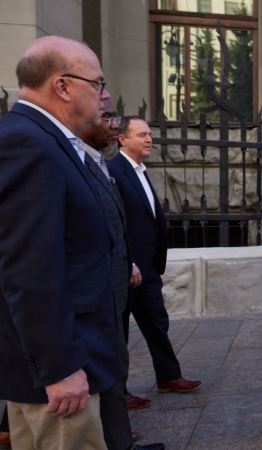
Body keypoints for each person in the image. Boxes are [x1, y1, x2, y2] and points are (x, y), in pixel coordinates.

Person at [0, 36, 122, 450]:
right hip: (60, 379)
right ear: (63, 86)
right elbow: (30, 270)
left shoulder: (45, 140)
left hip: (62, 366)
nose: (104, 95)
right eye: (98, 83)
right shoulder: (28, 143)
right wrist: (60, 369)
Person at [80, 104, 164, 450]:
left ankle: (120, 436)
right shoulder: (106, 167)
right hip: (101, 282)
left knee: (139, 335)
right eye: (142, 134)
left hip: (133, 269)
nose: (149, 139)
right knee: (113, 349)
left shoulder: (116, 167)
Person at [107, 117, 201, 408]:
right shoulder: (113, 171)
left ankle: (168, 376)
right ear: (123, 139)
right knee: (119, 331)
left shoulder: (140, 171)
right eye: (141, 135)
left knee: (157, 322)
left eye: (149, 134)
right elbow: (115, 222)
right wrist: (129, 261)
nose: (149, 139)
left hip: (147, 268)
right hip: (127, 268)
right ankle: (118, 394)